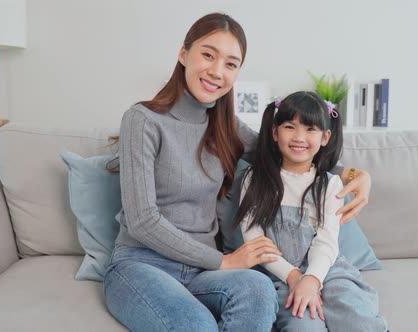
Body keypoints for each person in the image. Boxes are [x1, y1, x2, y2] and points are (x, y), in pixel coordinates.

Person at [104, 12, 373, 332]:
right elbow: (142, 221)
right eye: (208, 54)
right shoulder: (143, 119)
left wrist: (354, 175)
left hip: (201, 272)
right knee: (198, 325)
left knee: (259, 291)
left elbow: (282, 153)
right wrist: (224, 262)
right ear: (183, 54)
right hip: (141, 264)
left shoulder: (224, 125)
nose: (217, 71)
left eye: (231, 63)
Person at [236, 91, 388, 331]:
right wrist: (295, 277)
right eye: (289, 127)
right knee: (303, 326)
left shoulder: (330, 185)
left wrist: (312, 279)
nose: (299, 137)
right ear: (275, 132)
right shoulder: (254, 179)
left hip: (328, 269)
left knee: (358, 319)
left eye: (310, 129)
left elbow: (327, 241)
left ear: (325, 137)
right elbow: (255, 241)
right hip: (280, 273)